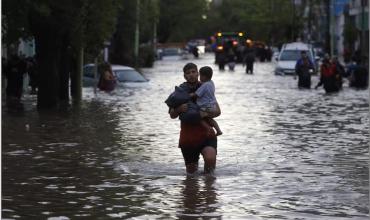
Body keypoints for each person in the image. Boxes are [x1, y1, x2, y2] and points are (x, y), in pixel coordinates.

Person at [169, 62, 220, 174]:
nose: (191, 75)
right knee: (191, 175)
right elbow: (172, 115)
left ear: (198, 73)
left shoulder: (206, 86)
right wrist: (179, 109)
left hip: (207, 133)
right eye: (188, 73)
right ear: (184, 76)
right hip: (188, 137)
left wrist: (204, 114)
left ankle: (209, 188)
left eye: (193, 72)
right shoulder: (180, 91)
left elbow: (217, 111)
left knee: (210, 160)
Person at [190, 66, 222, 136]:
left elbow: (196, 95)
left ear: (204, 77)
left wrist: (190, 95)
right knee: (209, 119)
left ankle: (208, 128)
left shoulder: (204, 86)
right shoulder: (211, 83)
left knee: (198, 117)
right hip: (212, 106)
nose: (199, 77)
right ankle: (218, 130)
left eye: (200, 75)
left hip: (206, 107)